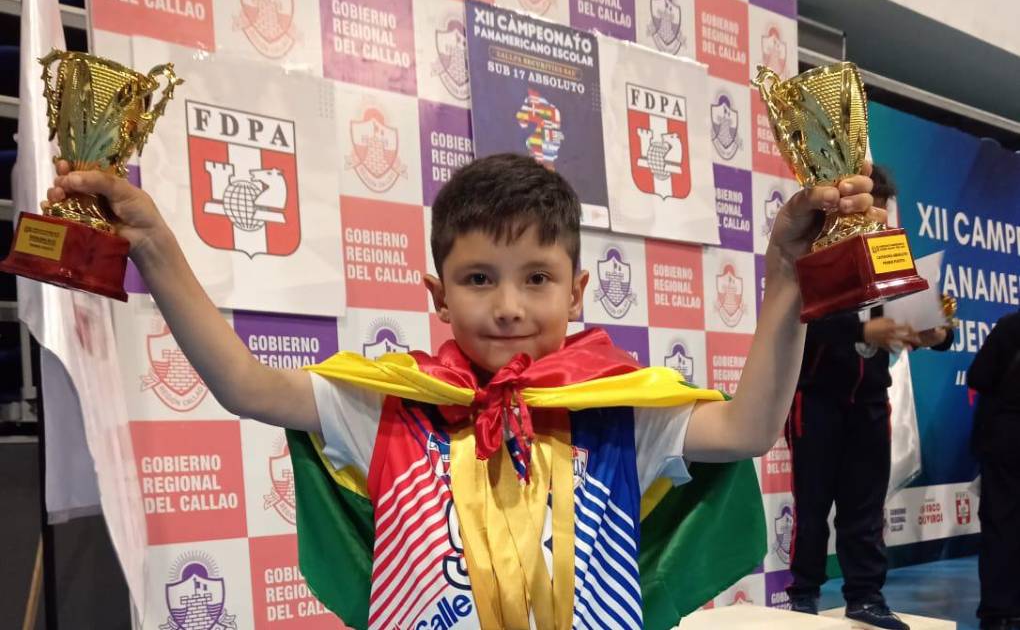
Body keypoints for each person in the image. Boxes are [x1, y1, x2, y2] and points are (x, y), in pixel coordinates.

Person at [46, 153, 880, 627]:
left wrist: (786, 279)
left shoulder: (618, 411)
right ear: (437, 293)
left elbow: (746, 427)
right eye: (480, 278)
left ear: (579, 291)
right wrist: (153, 247)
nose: (510, 306)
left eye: (537, 279)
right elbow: (245, 384)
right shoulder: (386, 403)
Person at [785, 165, 953, 630]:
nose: (874, 214)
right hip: (815, 397)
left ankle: (866, 597)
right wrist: (863, 329)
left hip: (870, 400)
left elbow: (913, 317)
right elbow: (802, 320)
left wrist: (935, 332)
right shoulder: (816, 253)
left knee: (864, 507)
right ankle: (802, 597)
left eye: (880, 206)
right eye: (867, 203)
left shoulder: (890, 255)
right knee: (813, 505)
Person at [968, 310, 1020, 630]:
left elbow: (979, 377)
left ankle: (1000, 609)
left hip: (1007, 438)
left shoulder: (1011, 326)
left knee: (1001, 523)